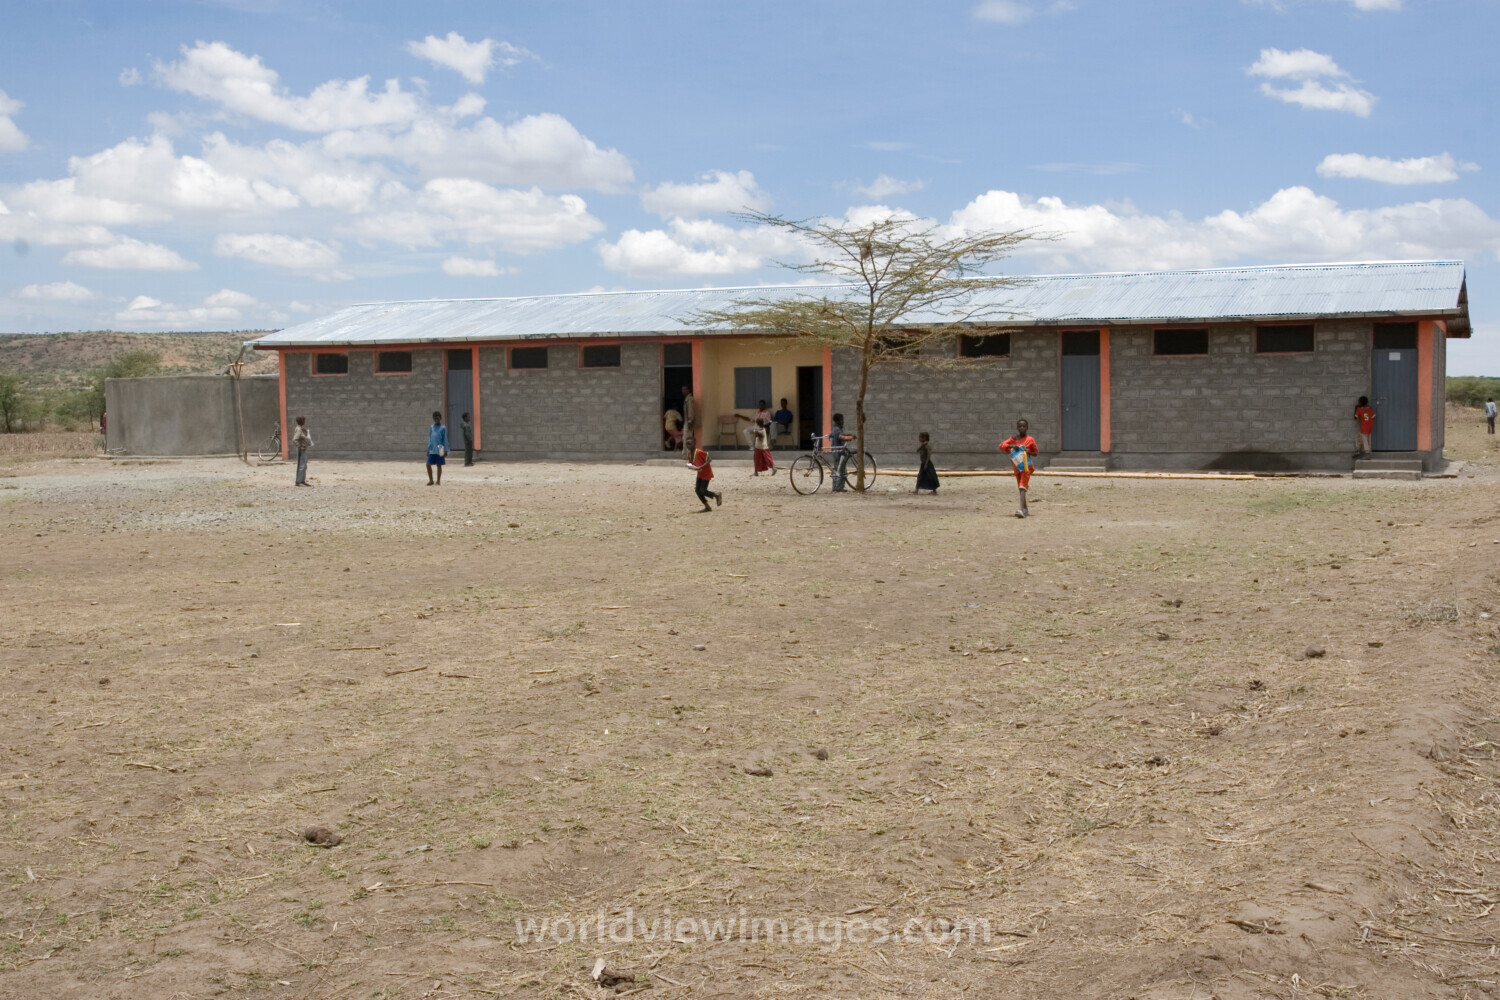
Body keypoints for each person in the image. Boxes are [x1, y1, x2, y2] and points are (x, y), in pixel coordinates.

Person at [999, 418, 1038, 518]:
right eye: (1020, 426)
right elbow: (1002, 446)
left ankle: (1021, 509)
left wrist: (1027, 451)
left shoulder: (1030, 440)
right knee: (1021, 488)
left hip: (1026, 466)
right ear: (1017, 427)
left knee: (1022, 486)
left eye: (1024, 426)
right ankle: (1025, 509)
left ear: (1027, 427)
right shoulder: (1013, 439)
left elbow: (1036, 453)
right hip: (1017, 467)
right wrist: (1012, 446)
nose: (1022, 428)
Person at [686, 445, 723, 511]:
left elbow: (709, 459)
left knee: (702, 490)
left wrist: (701, 466)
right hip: (700, 473)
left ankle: (716, 494)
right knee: (697, 491)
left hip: (706, 472)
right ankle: (707, 506)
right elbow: (691, 462)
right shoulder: (690, 454)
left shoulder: (699, 452)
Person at [828, 412, 855, 492]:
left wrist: (846, 435)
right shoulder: (837, 429)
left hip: (835, 451)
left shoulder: (835, 429)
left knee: (837, 470)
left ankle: (835, 487)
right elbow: (841, 437)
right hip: (839, 452)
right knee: (841, 470)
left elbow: (832, 436)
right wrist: (850, 437)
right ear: (838, 421)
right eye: (842, 420)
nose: (843, 421)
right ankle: (839, 488)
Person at [426, 411, 448, 486]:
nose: (436, 419)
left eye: (438, 417)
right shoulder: (431, 427)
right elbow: (430, 438)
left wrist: (446, 450)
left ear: (440, 418)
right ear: (433, 418)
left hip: (440, 448)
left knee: (439, 465)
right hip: (432, 449)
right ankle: (431, 480)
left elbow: (445, 439)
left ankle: (438, 481)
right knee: (428, 464)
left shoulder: (443, 428)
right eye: (435, 418)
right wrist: (428, 449)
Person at [291, 415, 313, 487]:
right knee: (302, 466)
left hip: (303, 449)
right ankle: (299, 482)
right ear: (301, 421)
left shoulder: (301, 429)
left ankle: (302, 481)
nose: (304, 421)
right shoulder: (299, 429)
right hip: (301, 450)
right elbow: (294, 439)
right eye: (303, 420)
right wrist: (300, 446)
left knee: (304, 466)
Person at [680, 386, 698, 453]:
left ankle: (688, 453)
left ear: (688, 390)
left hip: (688, 422)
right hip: (686, 422)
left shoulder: (689, 399)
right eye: (682, 389)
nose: (683, 391)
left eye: (684, 389)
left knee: (687, 438)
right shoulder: (686, 399)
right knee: (685, 438)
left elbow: (691, 411)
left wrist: (690, 420)